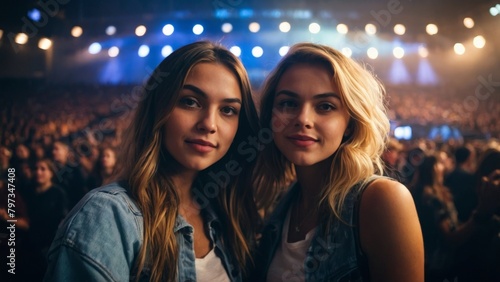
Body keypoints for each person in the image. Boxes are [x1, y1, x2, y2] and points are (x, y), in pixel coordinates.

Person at [44, 41, 261, 282]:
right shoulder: (109, 216)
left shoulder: (229, 216)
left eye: (228, 110)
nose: (209, 124)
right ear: (158, 108)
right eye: (190, 101)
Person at [253, 42, 424, 281]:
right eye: (288, 103)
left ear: (350, 124)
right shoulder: (278, 202)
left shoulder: (383, 199)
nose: (303, 119)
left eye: (325, 106)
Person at [411, 153, 500, 281]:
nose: (448, 162)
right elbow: (451, 237)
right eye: (442, 161)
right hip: (437, 265)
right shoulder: (430, 198)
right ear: (433, 168)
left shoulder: (437, 191)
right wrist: (481, 212)